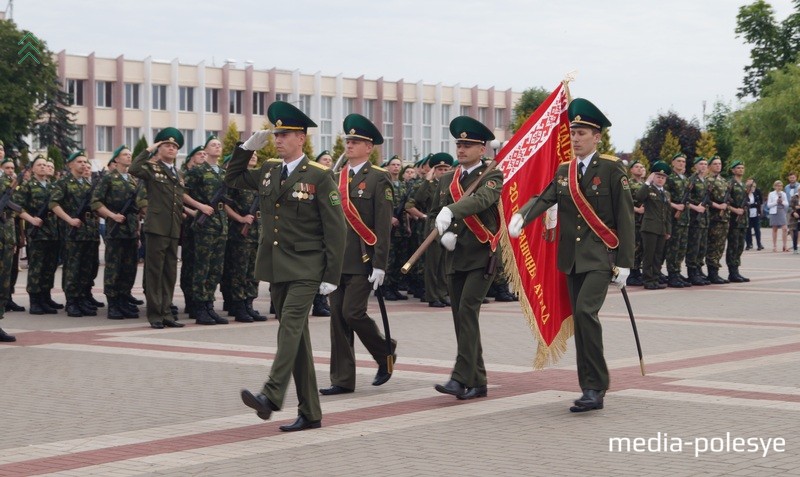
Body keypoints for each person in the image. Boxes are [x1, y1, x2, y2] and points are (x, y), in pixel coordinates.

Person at [508, 98, 634, 412]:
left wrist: (625, 263)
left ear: (597, 136)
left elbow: (625, 217)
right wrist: (523, 216)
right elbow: (546, 196)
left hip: (600, 258)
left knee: (585, 314)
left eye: (582, 133)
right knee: (581, 320)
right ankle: (588, 385)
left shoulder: (610, 168)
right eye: (573, 132)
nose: (575, 138)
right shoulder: (565, 170)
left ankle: (595, 386)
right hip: (571, 259)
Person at [231, 102, 346, 432]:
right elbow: (234, 178)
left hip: (308, 267)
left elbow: (336, 229)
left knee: (290, 328)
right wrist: (244, 149)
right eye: (276, 134)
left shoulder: (319, 176)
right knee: (298, 344)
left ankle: (271, 396)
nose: (277, 139)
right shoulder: (269, 170)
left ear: (301, 139)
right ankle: (311, 412)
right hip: (277, 266)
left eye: (284, 134)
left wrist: (331, 275)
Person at [318, 113, 396, 396]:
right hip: (337, 261)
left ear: (369, 147)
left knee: (353, 313)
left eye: (356, 141)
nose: (349, 145)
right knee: (337, 318)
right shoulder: (334, 178)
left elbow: (383, 226)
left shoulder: (378, 179)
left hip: (364, 260)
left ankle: (385, 351)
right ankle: (342, 379)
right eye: (348, 140)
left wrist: (380, 264)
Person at [431, 115, 504, 401]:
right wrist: (442, 236)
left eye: (468, 145)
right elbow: (437, 217)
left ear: (481, 149)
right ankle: (478, 380)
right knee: (460, 319)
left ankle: (459, 378)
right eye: (459, 144)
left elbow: (482, 201)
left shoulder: (491, 175)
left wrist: (453, 211)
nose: (461, 149)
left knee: (467, 313)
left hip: (481, 254)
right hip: (455, 256)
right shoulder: (448, 178)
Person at [130, 128, 213, 329]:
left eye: (175, 146)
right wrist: (150, 148)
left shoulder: (177, 172)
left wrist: (197, 208)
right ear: (159, 148)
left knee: (169, 273)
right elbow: (134, 168)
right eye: (167, 145)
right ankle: (155, 315)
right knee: (154, 272)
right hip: (157, 226)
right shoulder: (152, 167)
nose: (171, 148)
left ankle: (167, 313)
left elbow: (179, 196)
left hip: (174, 226)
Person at [91, 145, 141, 319]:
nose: (129, 157)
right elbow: (96, 202)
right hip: (116, 229)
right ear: (116, 159)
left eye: (130, 155)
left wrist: (138, 230)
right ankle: (113, 303)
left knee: (129, 267)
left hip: (131, 230)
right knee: (114, 267)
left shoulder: (133, 180)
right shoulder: (108, 178)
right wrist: (112, 215)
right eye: (125, 155)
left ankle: (123, 299)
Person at [49, 151, 101, 317]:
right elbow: (53, 203)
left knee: (86, 267)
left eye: (85, 162)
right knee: (73, 268)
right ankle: (71, 301)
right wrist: (69, 219)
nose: (84, 164)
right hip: (73, 233)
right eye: (79, 161)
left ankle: (82, 298)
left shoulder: (87, 184)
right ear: (70, 164)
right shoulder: (63, 183)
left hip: (90, 232)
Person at [185, 135, 229, 325]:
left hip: (221, 224)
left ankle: (209, 305)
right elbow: (182, 193)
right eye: (213, 144)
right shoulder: (198, 171)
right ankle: (199, 307)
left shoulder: (223, 172)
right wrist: (199, 207)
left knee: (215, 268)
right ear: (206, 149)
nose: (217, 147)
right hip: (205, 224)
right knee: (202, 267)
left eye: (219, 145)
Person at [221, 151, 266, 322]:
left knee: (254, 271)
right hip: (241, 233)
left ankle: (249, 304)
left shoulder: (260, 179)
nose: (254, 156)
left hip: (258, 232)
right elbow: (224, 204)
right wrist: (240, 218)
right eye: (251, 154)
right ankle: (238, 305)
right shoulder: (236, 180)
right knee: (239, 270)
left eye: (256, 154)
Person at [15, 156, 62, 314]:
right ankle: (35, 300)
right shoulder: (28, 186)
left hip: (53, 232)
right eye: (39, 165)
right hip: (38, 233)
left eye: (45, 165)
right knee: (37, 267)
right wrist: (31, 219)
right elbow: (17, 206)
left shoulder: (52, 186)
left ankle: (45, 297)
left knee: (49, 266)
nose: (43, 167)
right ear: (33, 169)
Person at [413, 153, 453, 307]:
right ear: (434, 170)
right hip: (433, 227)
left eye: (445, 169)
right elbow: (419, 199)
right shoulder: (429, 185)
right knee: (432, 264)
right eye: (440, 169)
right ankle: (432, 296)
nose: (443, 172)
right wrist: (427, 180)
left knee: (444, 263)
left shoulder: (451, 184)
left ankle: (442, 294)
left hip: (449, 227)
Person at [637, 162, 672, 289]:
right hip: (649, 228)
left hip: (661, 229)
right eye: (658, 176)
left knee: (658, 256)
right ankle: (647, 280)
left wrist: (668, 230)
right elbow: (639, 197)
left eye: (663, 177)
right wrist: (647, 182)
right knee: (649, 255)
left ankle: (655, 279)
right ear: (653, 177)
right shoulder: (649, 190)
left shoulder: (666, 194)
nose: (660, 179)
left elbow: (668, 213)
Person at [663, 152, 692, 288]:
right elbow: (664, 197)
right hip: (674, 219)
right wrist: (675, 206)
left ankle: (678, 271)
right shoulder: (669, 178)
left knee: (682, 247)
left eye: (683, 161)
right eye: (679, 161)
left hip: (685, 219)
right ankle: (672, 274)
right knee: (673, 248)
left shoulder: (686, 179)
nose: (681, 163)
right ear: (673, 163)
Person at [384, 155, 410, 301]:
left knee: (399, 259)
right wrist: (389, 218)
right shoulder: (384, 184)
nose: (395, 167)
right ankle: (386, 288)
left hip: (400, 228)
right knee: (389, 259)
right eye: (393, 164)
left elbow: (405, 208)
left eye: (398, 165)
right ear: (388, 167)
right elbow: (380, 206)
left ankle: (394, 287)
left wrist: (407, 224)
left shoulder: (403, 185)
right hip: (388, 228)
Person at [704, 156, 730, 284]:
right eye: (715, 164)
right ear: (709, 166)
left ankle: (716, 271)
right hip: (714, 217)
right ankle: (712, 272)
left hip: (724, 218)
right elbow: (706, 199)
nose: (718, 166)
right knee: (713, 245)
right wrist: (718, 206)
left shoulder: (724, 181)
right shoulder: (707, 180)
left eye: (719, 164)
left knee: (720, 246)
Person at [685, 157, 711, 286]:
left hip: (704, 219)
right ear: (695, 166)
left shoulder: (706, 181)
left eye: (706, 164)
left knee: (702, 247)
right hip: (694, 219)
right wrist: (696, 208)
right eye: (701, 164)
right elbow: (685, 200)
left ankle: (699, 270)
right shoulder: (692, 180)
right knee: (693, 247)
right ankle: (692, 273)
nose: (704, 166)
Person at [725, 161, 750, 281]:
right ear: (733, 170)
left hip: (743, 220)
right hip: (734, 220)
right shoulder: (730, 184)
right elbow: (725, 203)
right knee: (733, 246)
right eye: (738, 168)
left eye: (742, 168)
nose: (740, 170)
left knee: (740, 246)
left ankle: (736, 270)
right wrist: (735, 210)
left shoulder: (744, 185)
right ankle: (732, 272)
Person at [626, 159, 646, 286]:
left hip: (644, 221)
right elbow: (624, 201)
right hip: (633, 220)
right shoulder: (628, 183)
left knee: (641, 247)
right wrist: (637, 209)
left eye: (641, 167)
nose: (639, 169)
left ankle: (638, 271)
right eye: (636, 167)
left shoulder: (644, 184)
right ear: (631, 170)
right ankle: (632, 273)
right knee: (634, 247)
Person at [767, 180, 789, 252]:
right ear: (774, 186)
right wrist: (776, 202)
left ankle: (785, 245)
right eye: (778, 186)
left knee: (785, 228)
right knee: (775, 229)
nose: (779, 187)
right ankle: (774, 246)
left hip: (781, 211)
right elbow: (768, 205)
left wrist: (782, 201)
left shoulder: (783, 194)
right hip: (774, 211)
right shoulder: (771, 194)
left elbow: (787, 204)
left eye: (780, 186)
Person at [744, 178, 764, 250]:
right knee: (748, 229)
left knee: (757, 229)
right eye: (750, 186)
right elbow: (745, 203)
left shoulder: (756, 193)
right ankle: (748, 244)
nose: (751, 187)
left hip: (755, 213)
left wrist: (754, 205)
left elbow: (760, 202)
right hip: (748, 213)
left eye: (752, 186)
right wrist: (752, 204)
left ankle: (759, 244)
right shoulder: (745, 193)